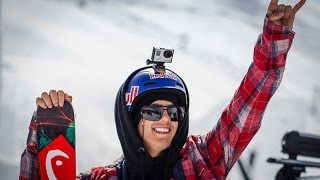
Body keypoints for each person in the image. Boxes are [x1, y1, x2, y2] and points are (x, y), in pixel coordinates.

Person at [19, 0, 306, 179]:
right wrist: (46, 134)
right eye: (153, 111)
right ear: (133, 119)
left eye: (174, 112)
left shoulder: (203, 161)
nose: (166, 120)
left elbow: (251, 100)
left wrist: (274, 39)